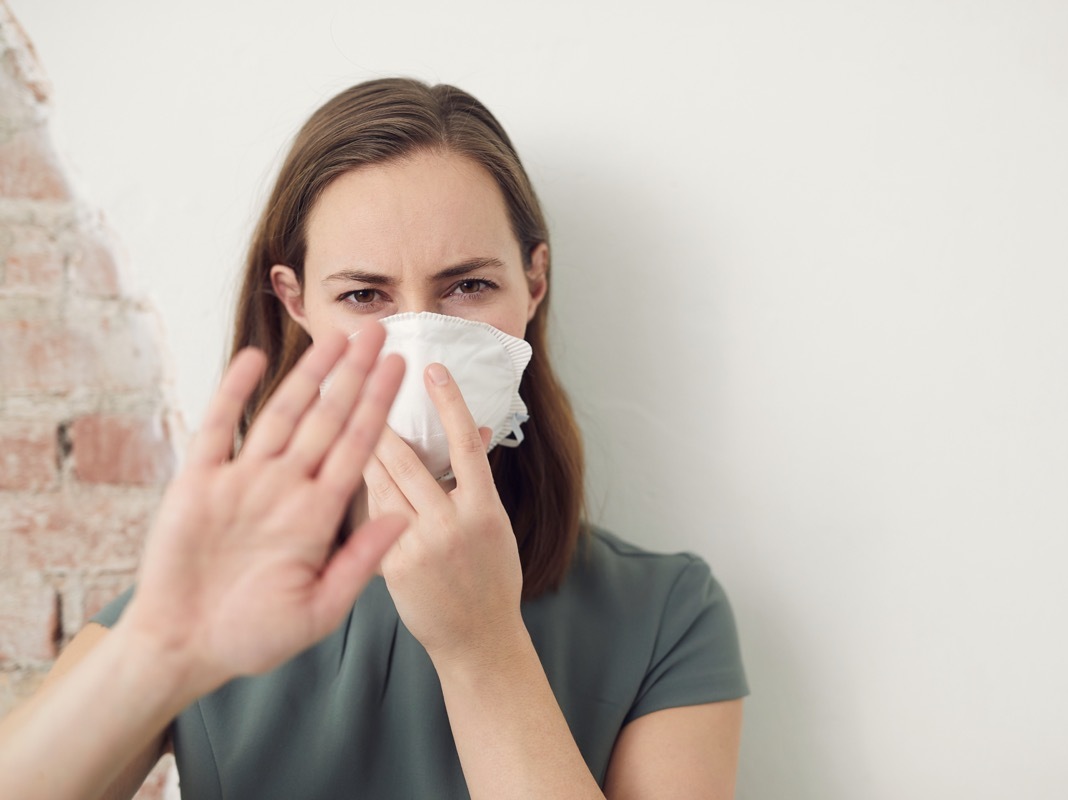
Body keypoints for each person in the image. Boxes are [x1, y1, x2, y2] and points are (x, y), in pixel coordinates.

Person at [0, 78, 748, 800]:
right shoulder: (212, 595)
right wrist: (156, 652)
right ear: (295, 302)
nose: (418, 339)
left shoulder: (669, 612)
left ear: (534, 283)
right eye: (364, 296)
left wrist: (482, 648)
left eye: (468, 286)